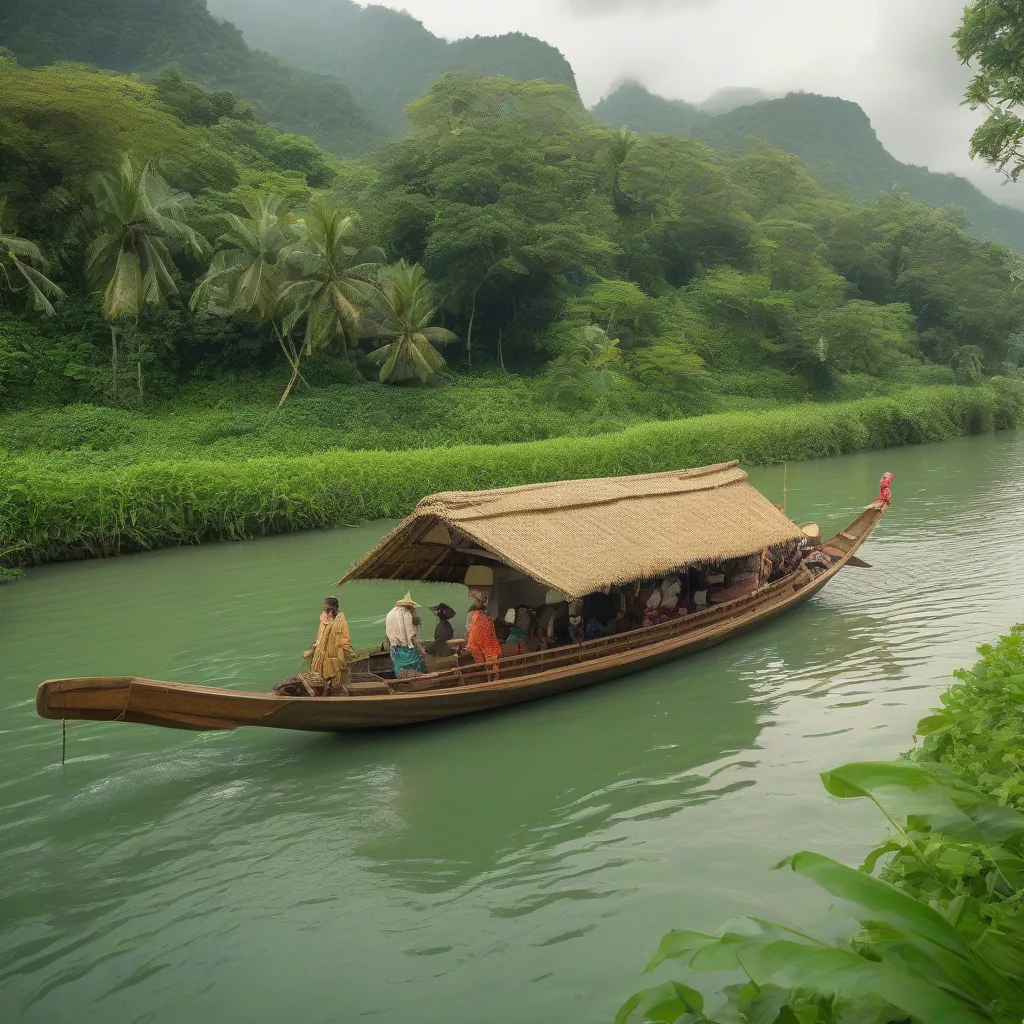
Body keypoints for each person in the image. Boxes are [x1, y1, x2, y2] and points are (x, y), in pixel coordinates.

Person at [302, 596, 354, 695]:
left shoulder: (342, 622)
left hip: (334, 656)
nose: (329, 611)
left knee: (335, 678)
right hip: (320, 655)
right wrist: (313, 649)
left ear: (336, 608)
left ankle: (335, 694)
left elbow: (344, 640)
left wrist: (349, 652)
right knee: (318, 677)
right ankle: (321, 694)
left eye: (331, 609)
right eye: (326, 608)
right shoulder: (323, 620)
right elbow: (319, 637)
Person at [386, 593, 428, 676]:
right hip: (407, 650)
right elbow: (410, 635)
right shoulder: (407, 614)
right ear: (410, 606)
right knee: (416, 663)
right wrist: (418, 647)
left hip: (395, 649)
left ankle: (400, 679)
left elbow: (388, 633)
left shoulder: (390, 613)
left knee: (399, 666)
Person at [466, 587, 501, 664]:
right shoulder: (473, 613)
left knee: (489, 664)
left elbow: (490, 629)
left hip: (486, 645)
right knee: (484, 664)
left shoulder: (485, 613)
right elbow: (470, 628)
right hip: (479, 645)